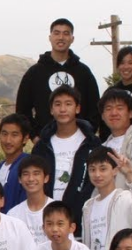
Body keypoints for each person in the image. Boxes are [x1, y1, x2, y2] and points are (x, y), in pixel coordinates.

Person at [15, 18, 101, 137]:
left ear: (72, 39)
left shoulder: (83, 72)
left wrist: (86, 134)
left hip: (80, 141)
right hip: (45, 141)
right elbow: (22, 110)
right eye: (56, 33)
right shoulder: (34, 72)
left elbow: (95, 109)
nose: (61, 37)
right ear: (50, 37)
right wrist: (35, 136)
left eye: (66, 33)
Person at [27, 85, 101, 218]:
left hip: (83, 216)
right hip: (47, 217)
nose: (62, 109)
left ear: (77, 108)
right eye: (57, 104)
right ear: (51, 110)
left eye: (68, 104)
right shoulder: (41, 147)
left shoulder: (92, 143)